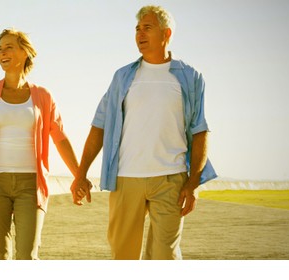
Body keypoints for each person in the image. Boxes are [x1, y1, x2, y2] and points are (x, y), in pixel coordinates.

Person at [71, 5, 217, 260]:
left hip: (171, 180)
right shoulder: (123, 77)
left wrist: (193, 183)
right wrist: (81, 174)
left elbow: (200, 131)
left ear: (166, 33)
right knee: (123, 256)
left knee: (165, 258)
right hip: (126, 178)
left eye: (147, 27)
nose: (139, 33)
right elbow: (99, 125)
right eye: (137, 29)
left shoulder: (190, 77)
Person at [0, 28, 82, 260]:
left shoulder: (43, 95)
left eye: (9, 47)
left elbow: (59, 137)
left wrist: (79, 176)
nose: (2, 53)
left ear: (24, 52)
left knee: (27, 256)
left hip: (31, 184)